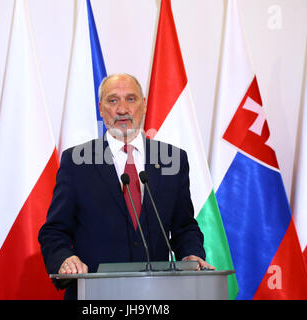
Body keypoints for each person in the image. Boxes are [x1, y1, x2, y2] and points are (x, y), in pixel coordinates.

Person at [38, 73, 213, 300]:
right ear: (101, 109)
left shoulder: (173, 159)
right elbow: (54, 231)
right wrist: (64, 258)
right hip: (96, 296)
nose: (122, 109)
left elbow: (184, 227)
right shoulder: (77, 161)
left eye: (131, 99)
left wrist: (190, 255)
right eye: (112, 100)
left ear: (144, 104)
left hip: (157, 296)